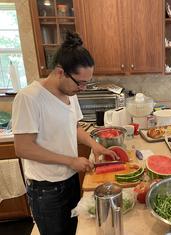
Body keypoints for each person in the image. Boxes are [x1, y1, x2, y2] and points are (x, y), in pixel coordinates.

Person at [12, 31, 117, 235]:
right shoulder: (29, 98)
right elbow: (22, 148)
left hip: (69, 180)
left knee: (73, 230)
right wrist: (70, 160)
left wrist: (94, 145)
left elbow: (74, 127)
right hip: (46, 189)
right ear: (60, 71)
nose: (83, 88)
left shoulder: (70, 93)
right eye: (81, 82)